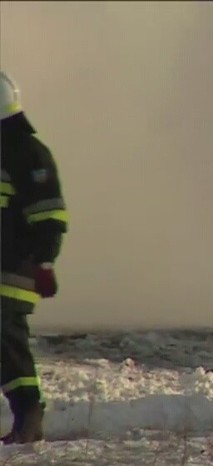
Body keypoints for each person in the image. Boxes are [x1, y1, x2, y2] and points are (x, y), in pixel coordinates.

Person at [1, 71, 69, 444]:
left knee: (4, 336)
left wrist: (44, 262)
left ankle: (28, 413)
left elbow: (49, 214)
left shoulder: (27, 152)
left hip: (14, 269)